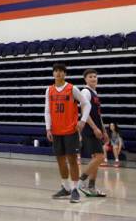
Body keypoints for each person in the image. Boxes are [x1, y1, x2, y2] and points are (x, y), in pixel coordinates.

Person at [45, 63, 91, 204]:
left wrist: (83, 120)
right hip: (56, 131)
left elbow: (86, 104)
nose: (58, 73)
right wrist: (48, 128)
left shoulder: (72, 89)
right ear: (53, 74)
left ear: (65, 74)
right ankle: (65, 187)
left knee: (72, 160)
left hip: (71, 130)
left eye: (61, 71)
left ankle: (75, 189)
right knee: (60, 160)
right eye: (56, 71)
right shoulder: (49, 90)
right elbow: (47, 110)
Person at [78, 69, 107, 197]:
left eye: (95, 76)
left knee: (96, 158)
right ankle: (80, 182)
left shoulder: (95, 93)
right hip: (90, 129)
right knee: (100, 157)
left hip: (97, 129)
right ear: (85, 79)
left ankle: (91, 187)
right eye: (90, 77)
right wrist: (95, 128)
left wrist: (104, 130)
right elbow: (85, 112)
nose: (94, 78)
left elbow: (98, 115)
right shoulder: (85, 91)